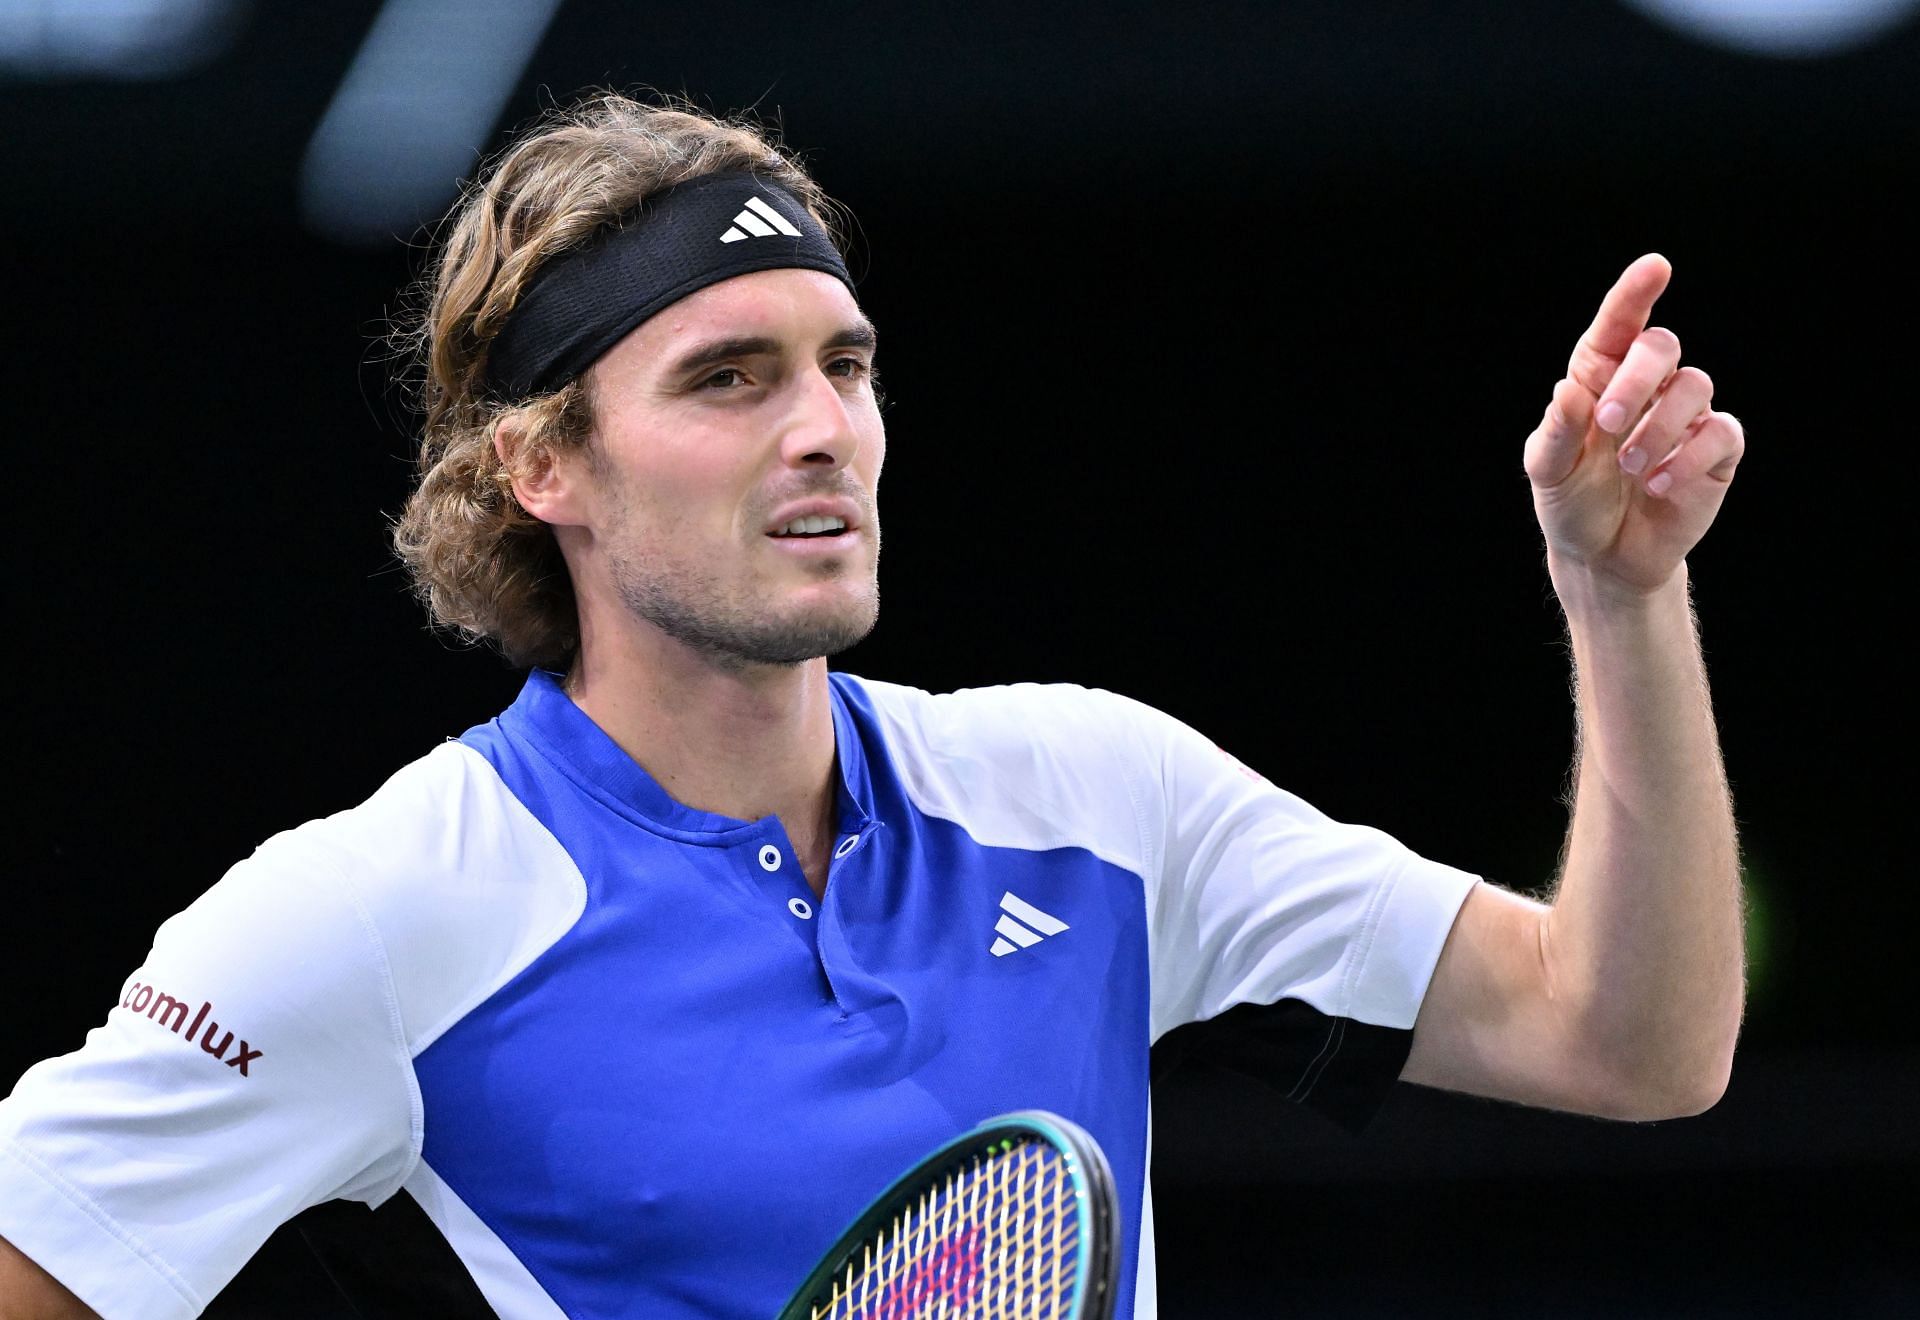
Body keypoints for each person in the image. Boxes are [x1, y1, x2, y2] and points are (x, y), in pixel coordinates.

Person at [0, 92, 1746, 1319]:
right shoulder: (374, 916)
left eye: (845, 365)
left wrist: (1625, 594)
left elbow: (1635, 1043)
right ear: (545, 467)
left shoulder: (1091, 795)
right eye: (729, 379)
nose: (823, 426)